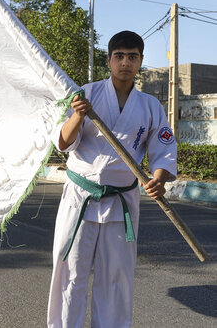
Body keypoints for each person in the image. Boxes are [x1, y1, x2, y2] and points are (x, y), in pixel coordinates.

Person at [47, 31, 177, 328]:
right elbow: (64, 142)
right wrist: (78, 116)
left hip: (122, 202)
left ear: (141, 62)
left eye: (132, 57)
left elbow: (164, 148)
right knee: (71, 273)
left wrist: (158, 178)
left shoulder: (150, 106)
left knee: (117, 278)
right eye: (119, 56)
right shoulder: (86, 94)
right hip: (80, 197)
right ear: (109, 60)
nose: (125, 63)